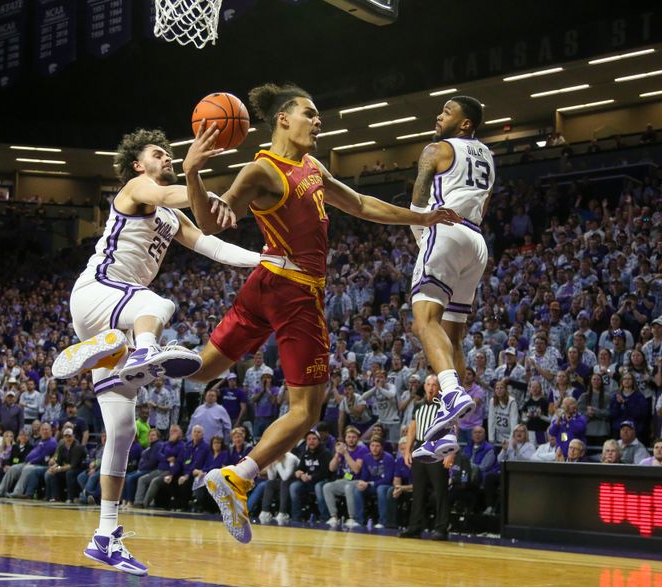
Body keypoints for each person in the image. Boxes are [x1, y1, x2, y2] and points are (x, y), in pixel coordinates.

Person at [180, 83, 458, 543]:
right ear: (283, 120)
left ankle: (133, 353)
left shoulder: (311, 167)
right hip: (294, 290)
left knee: (199, 371)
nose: (318, 120)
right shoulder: (262, 170)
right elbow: (211, 222)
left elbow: (362, 204)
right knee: (307, 411)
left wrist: (422, 217)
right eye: (310, 113)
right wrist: (192, 173)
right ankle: (238, 476)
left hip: (265, 282)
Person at [49, 128, 269, 573]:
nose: (165, 157)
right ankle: (141, 350)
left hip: (115, 320)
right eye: (158, 153)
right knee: (159, 303)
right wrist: (194, 173)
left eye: (169, 154)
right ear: (137, 163)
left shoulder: (170, 216)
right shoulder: (138, 188)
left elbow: (211, 246)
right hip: (100, 292)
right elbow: (173, 190)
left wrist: (262, 260)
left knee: (123, 431)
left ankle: (105, 535)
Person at [406, 96, 494, 456]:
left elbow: (418, 197)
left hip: (444, 228)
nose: (438, 115)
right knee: (453, 338)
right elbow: (484, 205)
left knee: (424, 322)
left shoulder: (436, 149)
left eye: (446, 111)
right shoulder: (488, 156)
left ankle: (453, 391)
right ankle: (447, 432)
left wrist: (423, 237)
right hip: (476, 241)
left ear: (465, 124)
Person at [401, 374, 455, 540]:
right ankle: (415, 526)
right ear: (424, 387)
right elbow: (412, 428)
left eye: (434, 385)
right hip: (420, 447)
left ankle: (441, 528)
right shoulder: (418, 406)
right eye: (428, 384)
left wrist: (450, 453)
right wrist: (407, 451)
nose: (431, 387)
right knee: (418, 490)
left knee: (440, 491)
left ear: (439, 388)